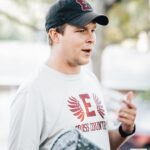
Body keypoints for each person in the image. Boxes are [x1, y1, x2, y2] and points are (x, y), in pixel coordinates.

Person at [8, 0, 137, 150]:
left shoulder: (91, 80)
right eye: (82, 30)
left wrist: (125, 129)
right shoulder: (32, 92)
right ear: (55, 35)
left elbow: (102, 143)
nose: (91, 38)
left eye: (93, 30)